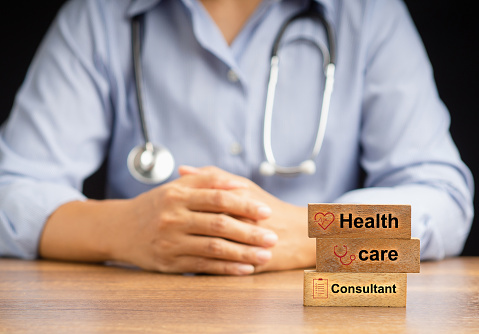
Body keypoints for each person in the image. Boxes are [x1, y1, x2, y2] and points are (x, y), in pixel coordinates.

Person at [0, 0, 474, 275]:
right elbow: (10, 190)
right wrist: (126, 229)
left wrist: (315, 235)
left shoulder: (369, 13)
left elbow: (445, 202)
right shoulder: (97, 15)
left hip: (317, 325)